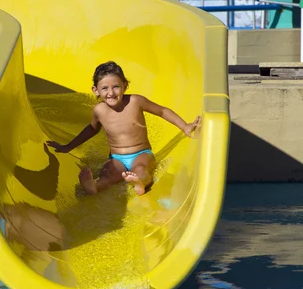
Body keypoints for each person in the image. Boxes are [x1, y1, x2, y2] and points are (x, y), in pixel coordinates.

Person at [47, 61, 200, 196]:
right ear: (95, 90)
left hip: (142, 153)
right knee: (108, 174)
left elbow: (162, 111)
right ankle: (95, 187)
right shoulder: (99, 110)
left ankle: (140, 183)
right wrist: (68, 146)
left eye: (116, 87)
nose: (111, 93)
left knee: (141, 169)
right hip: (116, 158)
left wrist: (184, 126)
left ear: (125, 86)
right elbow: (91, 130)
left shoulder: (135, 101)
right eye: (104, 88)